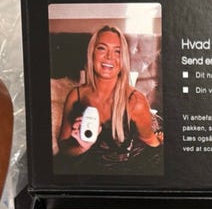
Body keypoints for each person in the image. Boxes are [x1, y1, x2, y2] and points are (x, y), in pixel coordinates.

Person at [57, 25, 163, 171]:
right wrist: (82, 147)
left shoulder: (135, 102)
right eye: (102, 48)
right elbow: (63, 146)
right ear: (92, 53)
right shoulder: (76, 95)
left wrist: (160, 140)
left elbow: (151, 143)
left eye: (117, 51)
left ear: (123, 59)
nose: (109, 57)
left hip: (126, 171)